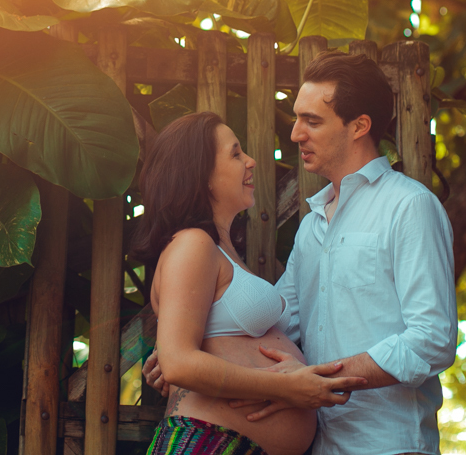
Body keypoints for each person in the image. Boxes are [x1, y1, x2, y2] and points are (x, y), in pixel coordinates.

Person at [146, 52, 458, 455]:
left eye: (312, 121)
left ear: (359, 126)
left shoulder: (408, 206)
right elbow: (278, 325)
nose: (295, 134)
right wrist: (179, 351)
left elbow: (431, 339)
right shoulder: (312, 227)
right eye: (296, 119)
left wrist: (315, 381)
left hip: (385, 445)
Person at [131, 111, 367, 455]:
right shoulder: (193, 244)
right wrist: (285, 387)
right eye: (235, 153)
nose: (251, 161)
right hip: (206, 443)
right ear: (202, 175)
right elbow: (178, 363)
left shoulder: (217, 250)